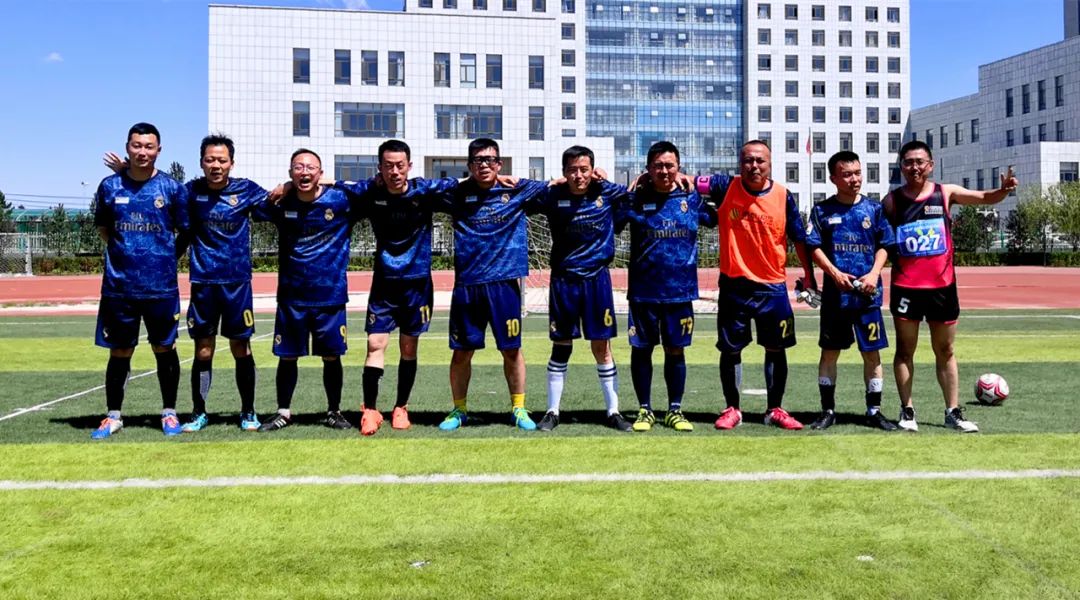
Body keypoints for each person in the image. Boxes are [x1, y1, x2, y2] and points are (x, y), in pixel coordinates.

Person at [883, 141, 1018, 432]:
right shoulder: (892, 201)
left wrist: (1004, 191)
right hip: (906, 288)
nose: (915, 167)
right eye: (908, 162)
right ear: (901, 167)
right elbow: (880, 240)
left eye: (920, 162)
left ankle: (952, 412)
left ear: (930, 165)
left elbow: (984, 197)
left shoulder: (945, 193)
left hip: (942, 288)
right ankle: (907, 411)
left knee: (945, 350)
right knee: (904, 351)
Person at [334, 140, 459, 435]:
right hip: (384, 284)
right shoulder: (370, 193)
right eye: (388, 166)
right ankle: (371, 410)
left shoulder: (424, 191)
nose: (394, 171)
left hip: (417, 285)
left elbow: (463, 183)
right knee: (375, 344)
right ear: (379, 168)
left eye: (400, 165)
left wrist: (503, 177)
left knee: (408, 347)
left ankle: (401, 407)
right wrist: (289, 185)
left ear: (409, 166)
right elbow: (333, 184)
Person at [432, 138, 550, 431]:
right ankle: (459, 410)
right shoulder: (456, 194)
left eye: (490, 160)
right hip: (468, 285)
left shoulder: (516, 191)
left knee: (511, 350)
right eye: (477, 161)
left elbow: (553, 186)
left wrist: (516, 179)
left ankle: (518, 408)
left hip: (504, 284)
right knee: (462, 352)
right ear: (469, 165)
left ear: (499, 164)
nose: (484, 165)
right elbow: (419, 188)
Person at [696, 140, 815, 431]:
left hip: (772, 287)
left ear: (770, 164)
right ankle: (732, 409)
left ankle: (774, 409)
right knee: (730, 350)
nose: (754, 166)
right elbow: (688, 181)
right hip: (734, 286)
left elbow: (799, 238)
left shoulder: (783, 196)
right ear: (740, 164)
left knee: (776, 348)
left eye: (760, 161)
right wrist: (649, 177)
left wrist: (809, 276)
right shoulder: (725, 186)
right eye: (748, 160)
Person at [254, 149, 368, 432]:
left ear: (321, 173)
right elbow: (258, 210)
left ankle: (334, 411)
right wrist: (281, 190)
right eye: (298, 168)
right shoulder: (283, 203)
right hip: (292, 296)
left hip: (330, 295)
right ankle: (283, 412)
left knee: (332, 356)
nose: (304, 172)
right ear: (290, 172)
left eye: (310, 168)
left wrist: (331, 181)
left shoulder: (339, 201)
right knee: (287, 356)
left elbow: (368, 189)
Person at [90, 122, 190, 439]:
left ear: (159, 150)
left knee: (165, 347)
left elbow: (186, 230)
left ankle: (169, 413)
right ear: (127, 148)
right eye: (137, 145)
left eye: (149, 146)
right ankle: (113, 416)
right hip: (120, 287)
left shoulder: (172, 188)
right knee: (119, 351)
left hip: (161, 286)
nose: (142, 152)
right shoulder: (109, 186)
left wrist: (167, 257)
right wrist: (123, 254)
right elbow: (104, 228)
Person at [528, 145, 632, 432]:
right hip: (564, 280)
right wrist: (551, 183)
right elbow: (523, 196)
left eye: (584, 169)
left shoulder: (605, 193)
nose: (578, 175)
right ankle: (552, 411)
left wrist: (606, 179)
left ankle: (613, 411)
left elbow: (632, 195)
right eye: (572, 170)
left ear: (592, 170)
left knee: (602, 346)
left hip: (597, 280)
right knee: (561, 345)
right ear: (564, 172)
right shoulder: (552, 195)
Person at [617, 141, 716, 432]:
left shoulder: (690, 197)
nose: (664, 171)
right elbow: (613, 220)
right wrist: (629, 191)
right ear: (647, 169)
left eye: (669, 165)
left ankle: (675, 409)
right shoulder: (636, 199)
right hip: (643, 292)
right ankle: (645, 409)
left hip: (680, 292)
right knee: (642, 350)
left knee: (676, 350)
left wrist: (697, 184)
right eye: (658, 166)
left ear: (679, 167)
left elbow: (717, 215)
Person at [805, 151, 896, 431]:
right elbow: (813, 246)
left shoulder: (874, 209)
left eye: (857, 172)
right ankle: (827, 411)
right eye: (847, 174)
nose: (854, 179)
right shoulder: (822, 211)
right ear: (833, 178)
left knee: (872, 354)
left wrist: (874, 273)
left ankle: (874, 411)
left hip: (868, 297)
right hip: (836, 299)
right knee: (829, 353)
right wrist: (834, 274)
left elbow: (885, 245)